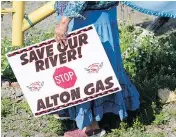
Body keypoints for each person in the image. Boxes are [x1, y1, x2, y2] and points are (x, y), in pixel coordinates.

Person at [54, 1, 140, 137]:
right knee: (99, 68)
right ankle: (108, 115)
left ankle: (90, 127)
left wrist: (64, 22)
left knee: (87, 71)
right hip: (95, 15)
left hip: (87, 17)